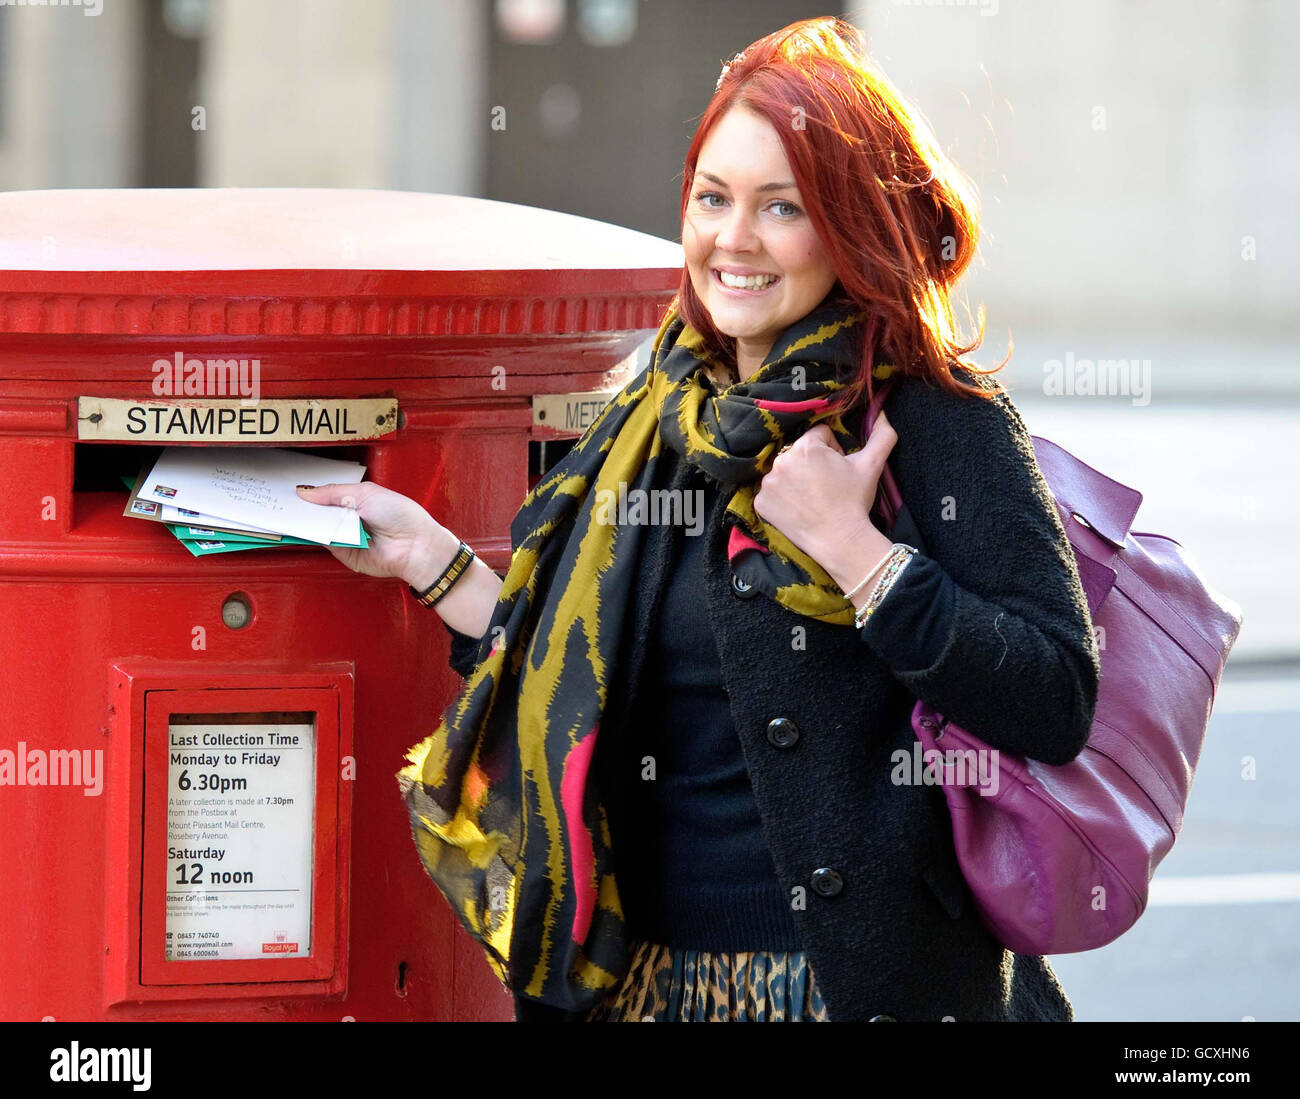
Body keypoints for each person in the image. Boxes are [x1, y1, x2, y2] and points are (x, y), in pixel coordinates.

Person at [298, 16, 1100, 1022]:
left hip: (853, 987)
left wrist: (859, 556)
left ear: (850, 226)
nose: (733, 239)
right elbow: (578, 664)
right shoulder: (651, 414)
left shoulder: (932, 417)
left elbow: (1054, 695)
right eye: (713, 199)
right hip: (641, 987)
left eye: (782, 208)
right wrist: (433, 560)